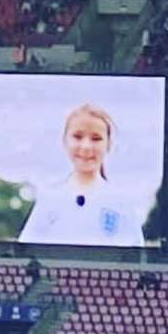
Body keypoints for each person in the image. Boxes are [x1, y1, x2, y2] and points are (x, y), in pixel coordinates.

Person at [18, 104, 145, 246]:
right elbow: (25, 253)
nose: (86, 147)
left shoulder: (121, 202)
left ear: (108, 144)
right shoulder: (50, 197)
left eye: (96, 138)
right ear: (65, 141)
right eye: (78, 137)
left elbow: (137, 259)